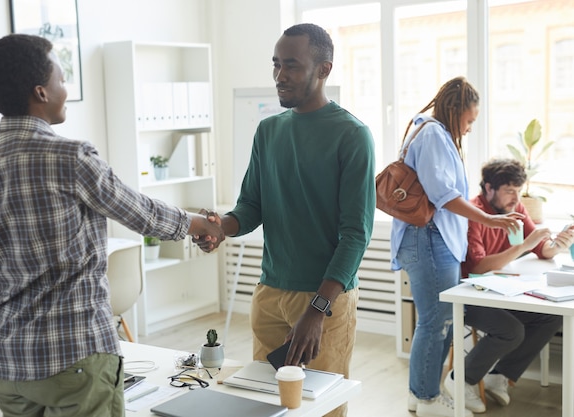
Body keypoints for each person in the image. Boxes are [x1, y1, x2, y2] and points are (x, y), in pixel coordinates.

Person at [0, 34, 222, 417]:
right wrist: (199, 224)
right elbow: (139, 212)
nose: (66, 88)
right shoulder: (69, 157)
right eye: (62, 78)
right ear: (41, 92)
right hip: (76, 358)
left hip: (10, 367)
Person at [197, 23, 375, 417]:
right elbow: (250, 207)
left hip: (324, 300)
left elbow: (355, 236)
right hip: (269, 293)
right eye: (276, 64)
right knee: (266, 406)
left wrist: (317, 310)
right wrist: (220, 229)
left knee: (320, 408)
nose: (280, 75)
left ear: (324, 69)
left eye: (291, 65)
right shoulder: (268, 131)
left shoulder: (352, 135)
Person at [390, 76, 523, 417]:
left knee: (437, 321)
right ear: (455, 110)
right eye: (469, 120)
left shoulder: (433, 133)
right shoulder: (433, 133)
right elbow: (443, 195)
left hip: (431, 239)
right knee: (437, 322)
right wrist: (489, 219)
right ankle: (428, 399)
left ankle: (420, 395)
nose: (469, 128)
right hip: (429, 239)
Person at [443, 158, 568, 412]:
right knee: (512, 331)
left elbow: (541, 249)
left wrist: (557, 246)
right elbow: (478, 267)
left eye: (518, 191)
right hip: (470, 294)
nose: (515, 197)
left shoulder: (516, 208)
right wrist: (523, 246)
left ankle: (498, 375)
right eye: (509, 190)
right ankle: (459, 379)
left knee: (550, 317)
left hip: (503, 292)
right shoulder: (474, 213)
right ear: (489, 188)